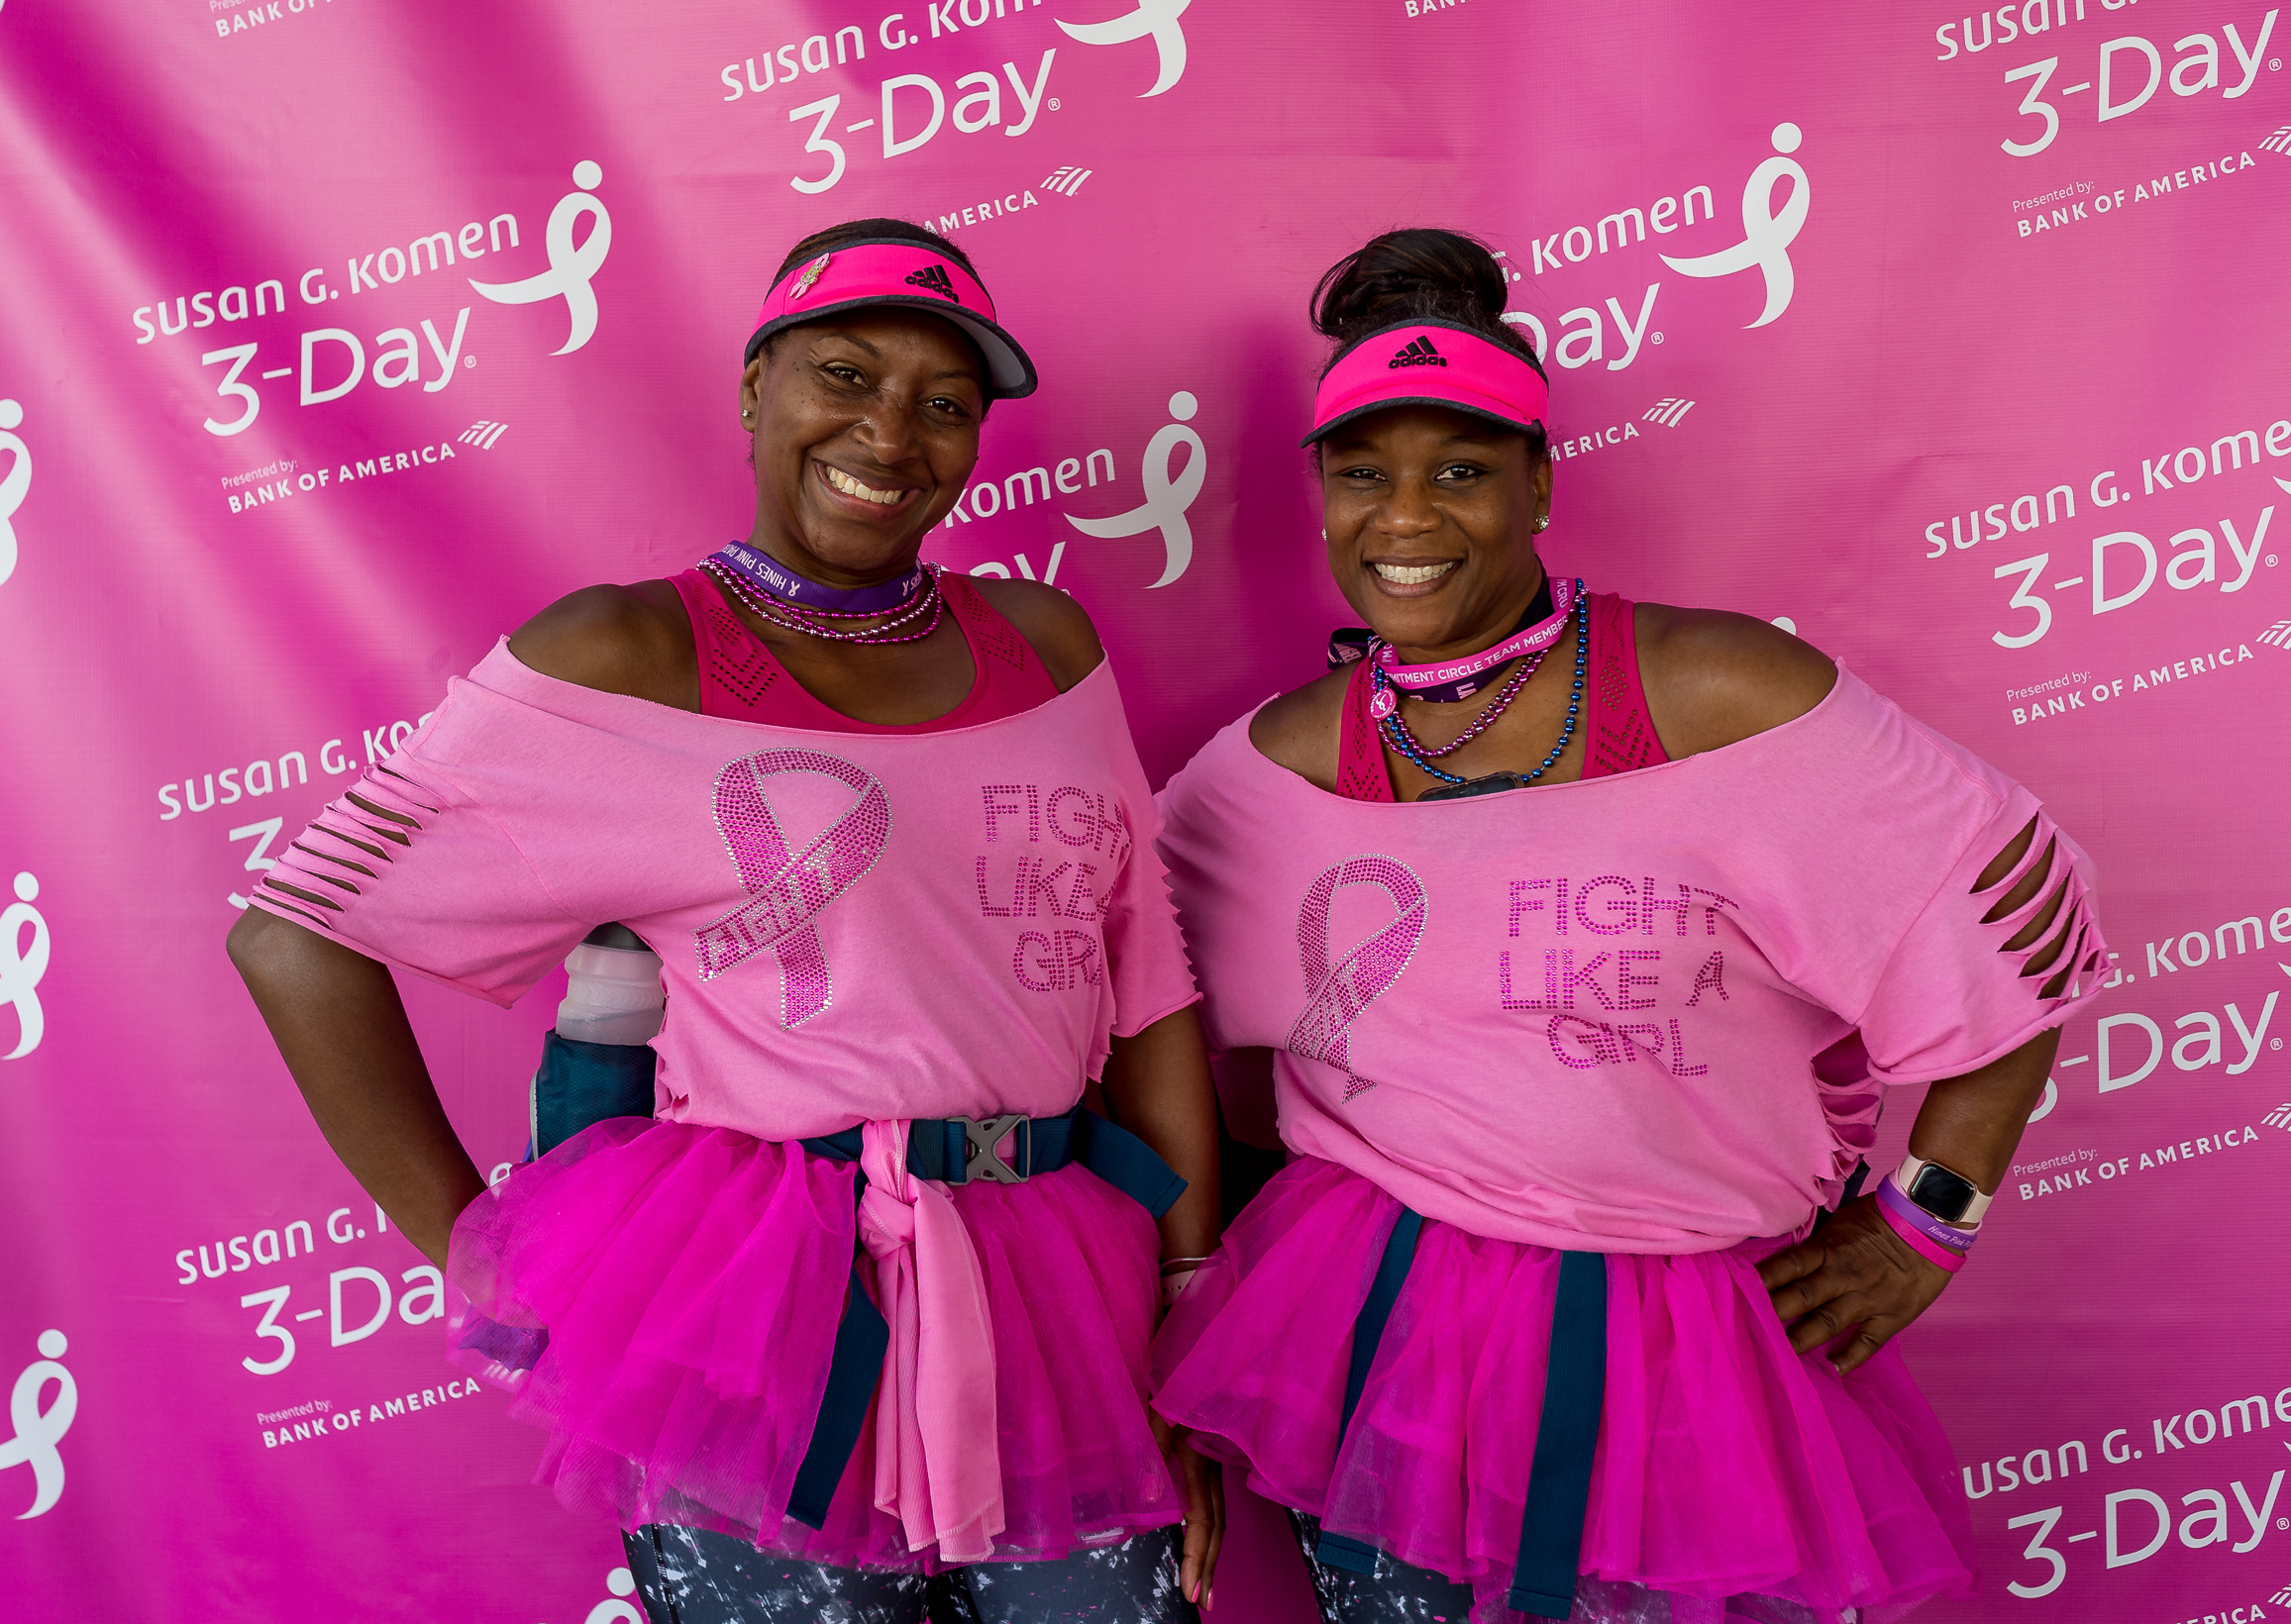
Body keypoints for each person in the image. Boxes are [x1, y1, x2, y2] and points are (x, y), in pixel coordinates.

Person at [226, 219, 1224, 1624]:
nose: (892, 431)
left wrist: (1189, 1285)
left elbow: (1146, 979)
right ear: (757, 387)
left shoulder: (1047, 644)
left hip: (1061, 1284)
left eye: (945, 402)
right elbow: (293, 939)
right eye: (846, 374)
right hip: (771, 1310)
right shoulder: (623, 654)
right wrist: (481, 1260)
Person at [1146, 228, 2105, 1624]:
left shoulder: (1725, 693)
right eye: (1364, 475)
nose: (1405, 520)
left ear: (1538, 482)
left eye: (1461, 472)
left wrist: (1927, 1222)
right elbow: (1127, 1001)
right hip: (1379, 1324)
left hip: (1692, 1348)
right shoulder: (1265, 773)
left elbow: (2017, 927)